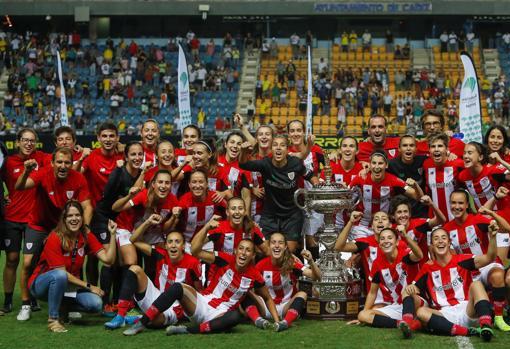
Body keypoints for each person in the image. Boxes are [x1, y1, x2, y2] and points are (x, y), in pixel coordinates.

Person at [122, 228, 279, 336]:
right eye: (241, 249)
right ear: (236, 250)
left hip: (220, 313)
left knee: (235, 318)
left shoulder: (255, 276)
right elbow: (197, 250)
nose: (243, 253)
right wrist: (207, 230)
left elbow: (267, 298)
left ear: (252, 255)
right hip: (202, 302)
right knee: (178, 288)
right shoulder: (224, 259)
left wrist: (278, 321)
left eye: (248, 250)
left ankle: (187, 331)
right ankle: (141, 323)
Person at [15, 147, 92, 321]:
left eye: (67, 162)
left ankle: (70, 304)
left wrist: (83, 227)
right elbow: (20, 186)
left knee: (74, 262)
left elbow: (87, 205)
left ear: (72, 164)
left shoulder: (78, 178)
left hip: (64, 227)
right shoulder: (43, 173)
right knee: (27, 263)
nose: (63, 166)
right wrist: (26, 172)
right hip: (39, 225)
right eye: (59, 162)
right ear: (52, 163)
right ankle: (26, 304)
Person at [29, 201, 117, 332]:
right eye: (70, 216)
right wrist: (89, 286)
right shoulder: (54, 237)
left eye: (77, 215)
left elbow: (108, 259)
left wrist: (113, 234)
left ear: (82, 218)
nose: (74, 219)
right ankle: (53, 319)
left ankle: (63, 307)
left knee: (96, 304)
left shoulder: (85, 236)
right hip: (41, 285)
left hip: (68, 285)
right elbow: (61, 273)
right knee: (59, 276)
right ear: (64, 219)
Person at [400, 226, 499, 341]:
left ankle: (486, 325)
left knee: (476, 285)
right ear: (431, 246)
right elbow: (413, 289)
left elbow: (489, 258)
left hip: (467, 310)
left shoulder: (462, 260)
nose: (440, 241)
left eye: (443, 238)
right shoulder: (427, 268)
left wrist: (492, 237)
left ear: (449, 243)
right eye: (436, 239)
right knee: (420, 310)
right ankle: (467, 332)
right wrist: (412, 286)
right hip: (445, 315)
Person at [105, 230, 202, 330]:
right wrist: (148, 222)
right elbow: (132, 240)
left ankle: (140, 318)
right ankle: (120, 316)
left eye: (177, 242)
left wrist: (189, 312)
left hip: (175, 308)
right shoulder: (161, 254)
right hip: (156, 296)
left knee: (153, 321)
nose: (173, 245)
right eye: (170, 242)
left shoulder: (193, 263)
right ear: (166, 245)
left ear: (183, 246)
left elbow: (198, 292)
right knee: (135, 269)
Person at [442, 190, 510, 331]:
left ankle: (498, 317)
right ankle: (488, 308)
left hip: (488, 264)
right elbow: (452, 258)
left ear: (467, 205)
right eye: (453, 203)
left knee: (497, 276)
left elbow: (506, 228)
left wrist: (491, 214)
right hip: (468, 271)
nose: (457, 206)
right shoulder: (447, 229)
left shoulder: (478, 219)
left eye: (461, 203)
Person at [90, 142, 145, 315]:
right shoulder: (118, 174)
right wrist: (129, 196)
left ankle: (118, 301)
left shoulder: (140, 174)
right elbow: (110, 205)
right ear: (126, 157)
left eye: (140, 154)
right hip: (104, 220)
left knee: (124, 262)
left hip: (121, 223)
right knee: (110, 260)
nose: (137, 158)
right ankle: (105, 302)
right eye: (133, 154)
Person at [239, 135, 317, 252]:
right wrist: (243, 152)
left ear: (287, 149)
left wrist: (319, 187)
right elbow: (243, 164)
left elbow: (310, 176)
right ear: (271, 149)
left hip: (292, 216)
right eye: (275, 145)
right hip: (270, 215)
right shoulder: (265, 164)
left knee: (288, 251)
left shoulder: (295, 163)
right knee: (263, 250)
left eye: (282, 145)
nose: (278, 148)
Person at [0, 129, 49, 314]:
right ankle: (7, 300)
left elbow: (62, 155)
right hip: (11, 217)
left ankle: (31, 298)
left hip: (33, 218)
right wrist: (3, 197)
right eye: (25, 140)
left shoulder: (42, 158)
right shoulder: (9, 162)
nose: (29, 144)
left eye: (32, 141)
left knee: (32, 262)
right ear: (18, 142)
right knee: (12, 259)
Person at [244, 232, 321, 331]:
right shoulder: (261, 265)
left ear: (285, 247)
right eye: (273, 242)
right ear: (269, 246)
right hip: (265, 307)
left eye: (280, 243)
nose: (276, 246)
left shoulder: (292, 263)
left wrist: (311, 261)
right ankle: (258, 320)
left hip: (286, 306)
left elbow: (317, 277)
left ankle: (285, 323)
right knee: (246, 291)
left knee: (302, 294)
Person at [357, 227, 422, 330]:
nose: (386, 241)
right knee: (362, 315)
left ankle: (408, 322)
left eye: (389, 238)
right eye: (382, 238)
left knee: (406, 291)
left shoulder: (405, 254)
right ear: (379, 244)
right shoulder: (377, 264)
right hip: (397, 305)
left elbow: (419, 255)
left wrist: (405, 236)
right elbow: (372, 293)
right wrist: (364, 314)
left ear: (397, 242)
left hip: (416, 300)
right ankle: (402, 323)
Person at [349, 151, 420, 228]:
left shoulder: (394, 180)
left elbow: (417, 196)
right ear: (369, 165)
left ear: (386, 165)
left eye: (380, 163)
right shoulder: (360, 177)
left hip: (385, 227)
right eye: (374, 163)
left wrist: (415, 185)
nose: (376, 167)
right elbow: (346, 195)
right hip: (362, 226)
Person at [192, 197, 268, 257]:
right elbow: (193, 248)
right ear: (227, 212)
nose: (237, 212)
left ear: (245, 212)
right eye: (233, 209)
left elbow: (267, 251)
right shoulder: (218, 228)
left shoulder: (252, 228)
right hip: (220, 272)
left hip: (241, 273)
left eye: (240, 208)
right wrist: (206, 227)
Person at [389, 195, 445, 265]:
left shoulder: (419, 224)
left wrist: (431, 204)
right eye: (399, 212)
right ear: (393, 216)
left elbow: (441, 220)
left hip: (422, 271)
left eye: (405, 211)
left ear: (410, 214)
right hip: (403, 273)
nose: (403, 215)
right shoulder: (390, 232)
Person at [423, 133, 464, 220]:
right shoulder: (426, 164)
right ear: (429, 150)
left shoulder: (458, 163)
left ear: (447, 149)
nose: (436, 149)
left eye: (440, 146)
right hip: (435, 220)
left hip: (455, 218)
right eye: (433, 146)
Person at [388, 135, 429, 218]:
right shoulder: (391, 165)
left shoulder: (424, 160)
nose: (408, 148)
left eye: (411, 145)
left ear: (416, 149)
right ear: (399, 149)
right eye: (405, 145)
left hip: (421, 210)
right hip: (401, 212)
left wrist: (449, 154)